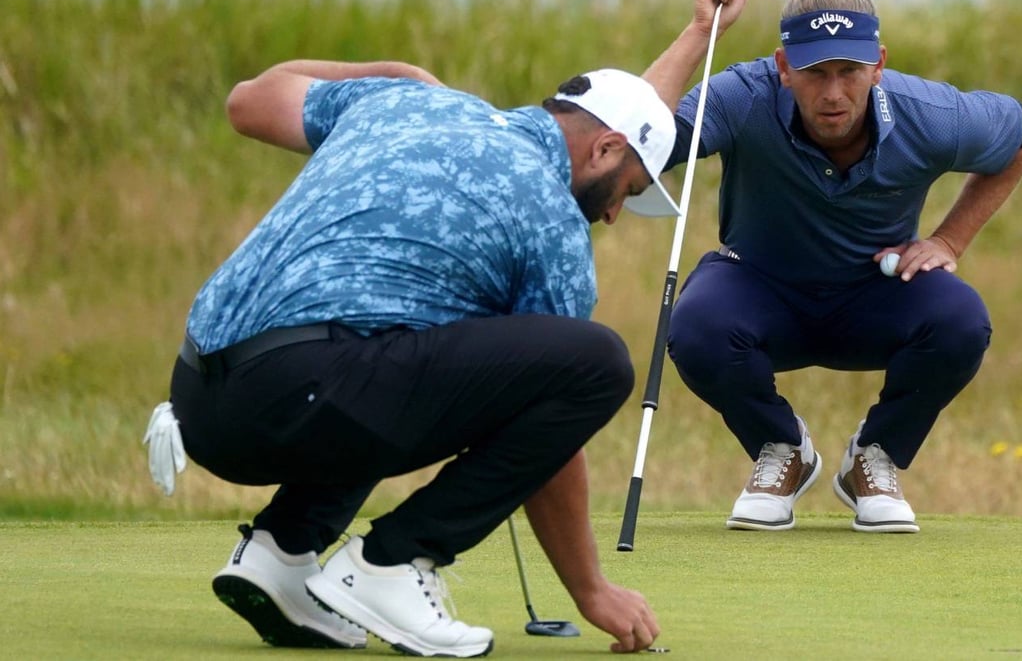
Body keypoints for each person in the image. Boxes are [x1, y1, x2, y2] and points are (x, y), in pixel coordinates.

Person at [140, 52, 728, 654]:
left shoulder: (403, 101)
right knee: (597, 362)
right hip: (301, 398)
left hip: (197, 400)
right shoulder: (555, 224)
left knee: (401, 335)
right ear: (603, 149)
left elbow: (249, 101)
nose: (612, 213)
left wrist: (392, 72)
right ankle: (392, 563)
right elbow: (552, 428)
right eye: (626, 191)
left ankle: (282, 554)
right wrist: (591, 590)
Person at [642, 0, 1022, 534]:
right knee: (697, 325)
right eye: (813, 73)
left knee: (961, 319)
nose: (833, 93)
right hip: (760, 290)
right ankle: (782, 449)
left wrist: (950, 240)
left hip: (874, 296)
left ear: (877, 65)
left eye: (850, 71)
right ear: (784, 69)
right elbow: (642, 141)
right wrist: (699, 34)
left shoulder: (930, 115)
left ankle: (873, 460)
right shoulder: (742, 96)